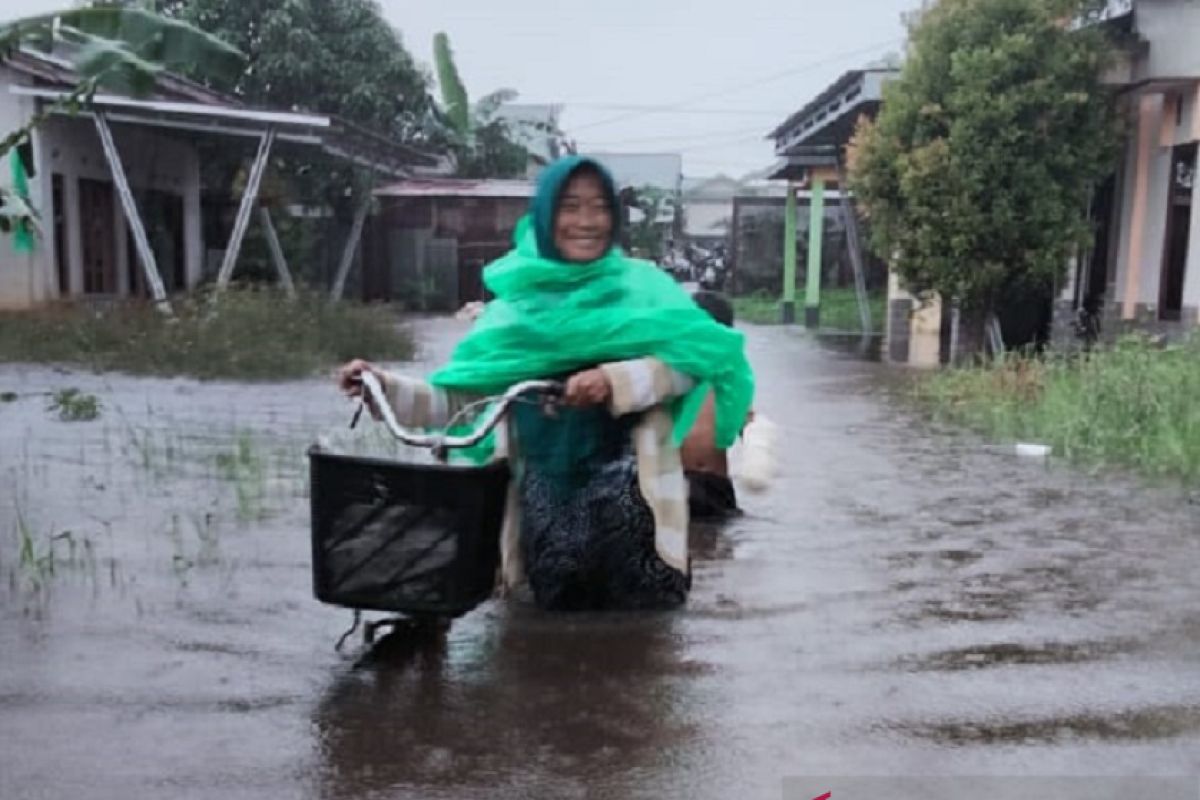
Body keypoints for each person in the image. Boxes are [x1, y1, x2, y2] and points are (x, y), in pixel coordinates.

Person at [338, 155, 754, 613]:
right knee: (536, 648)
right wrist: (384, 388)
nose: (586, 221)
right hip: (542, 518)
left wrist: (614, 380)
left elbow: (691, 363)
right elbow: (459, 401)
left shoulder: (646, 286)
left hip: (641, 522)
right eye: (570, 206)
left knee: (646, 662)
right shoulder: (512, 310)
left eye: (599, 208)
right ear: (545, 215)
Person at [681, 290, 747, 520]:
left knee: (715, 547)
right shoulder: (663, 372)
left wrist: (758, 449)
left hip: (714, 486)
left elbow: (747, 422)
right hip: (671, 482)